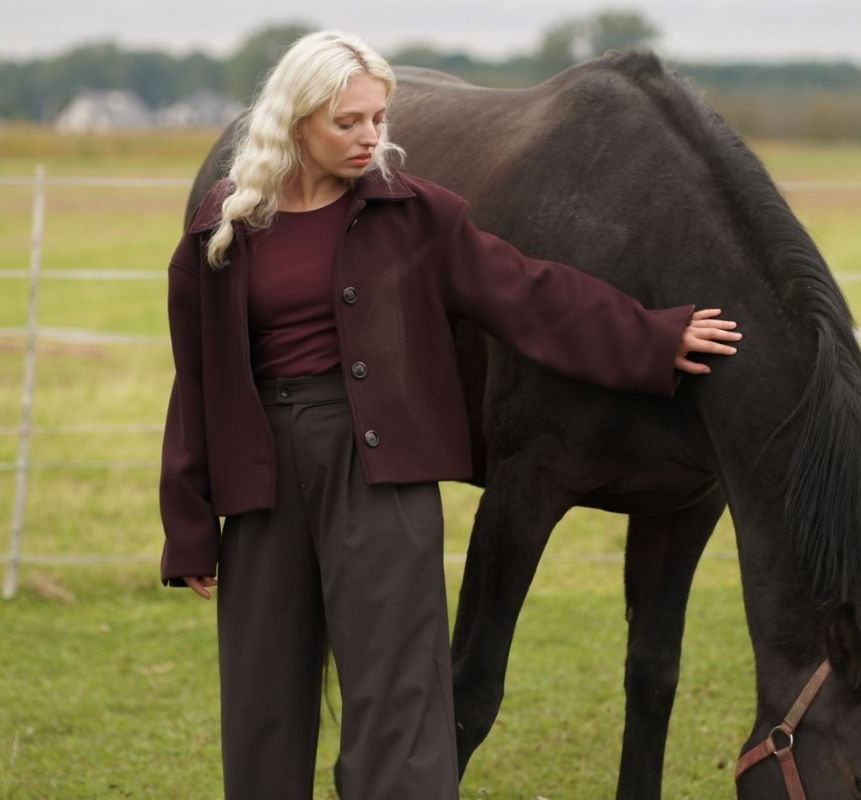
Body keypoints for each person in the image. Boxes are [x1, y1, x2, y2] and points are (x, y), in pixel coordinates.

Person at [158, 31, 741, 798]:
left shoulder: (416, 216)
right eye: (349, 122)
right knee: (264, 697)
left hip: (381, 472)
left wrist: (655, 338)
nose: (371, 137)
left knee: (400, 694)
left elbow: (527, 293)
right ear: (297, 122)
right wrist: (189, 524)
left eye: (379, 119)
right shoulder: (224, 225)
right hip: (262, 477)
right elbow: (199, 378)